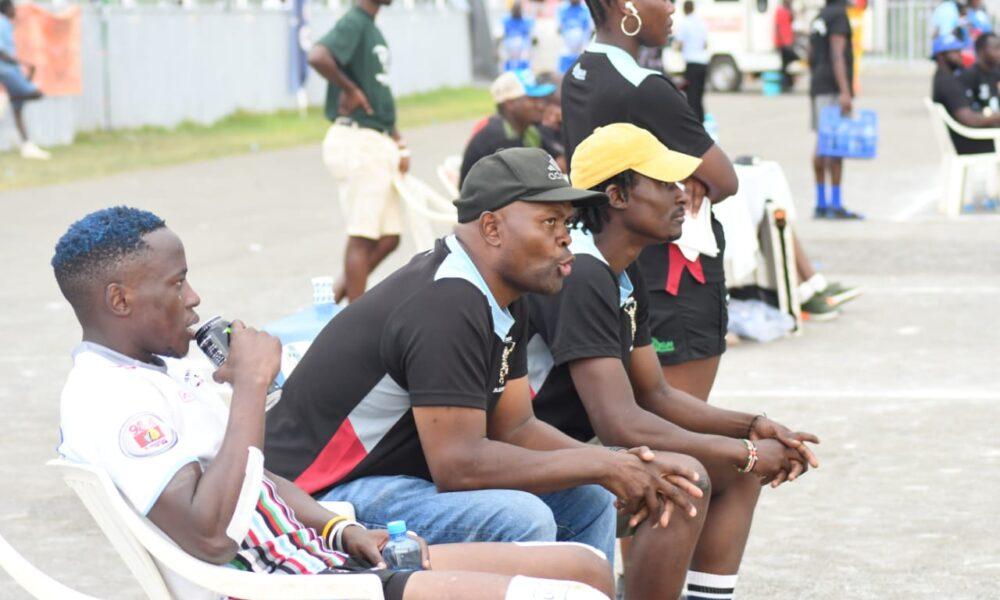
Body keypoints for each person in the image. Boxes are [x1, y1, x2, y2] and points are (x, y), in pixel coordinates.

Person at [53, 206, 616, 600]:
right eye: (176, 284)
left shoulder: (160, 371)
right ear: (119, 299)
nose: (194, 297)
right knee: (566, 593)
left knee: (584, 568)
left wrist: (341, 530)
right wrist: (250, 387)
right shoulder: (111, 401)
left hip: (325, 557)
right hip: (289, 586)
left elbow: (261, 479)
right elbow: (209, 535)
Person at [264, 148, 709, 578]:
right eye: (549, 221)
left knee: (589, 498)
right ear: (493, 228)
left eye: (568, 222)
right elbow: (459, 465)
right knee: (521, 516)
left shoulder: (505, 295)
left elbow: (516, 428)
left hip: (393, 478)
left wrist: (617, 462)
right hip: (319, 494)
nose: (566, 237)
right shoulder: (447, 301)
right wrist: (604, 463)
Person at [526, 123, 820, 600]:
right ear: (617, 196)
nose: (681, 195)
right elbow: (621, 423)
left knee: (737, 473)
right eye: (664, 183)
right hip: (532, 458)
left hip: (571, 448)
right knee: (686, 476)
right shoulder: (580, 272)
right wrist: (744, 451)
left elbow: (656, 394)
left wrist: (754, 428)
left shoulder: (622, 270)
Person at [565, 0, 738, 402]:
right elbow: (725, 180)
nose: (673, 6)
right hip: (674, 269)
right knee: (679, 423)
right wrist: (690, 175)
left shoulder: (577, 74)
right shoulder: (643, 85)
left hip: (613, 261)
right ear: (627, 6)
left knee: (635, 417)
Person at [308, 0, 408, 304]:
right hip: (357, 139)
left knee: (389, 237)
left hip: (377, 138)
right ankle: (353, 322)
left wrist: (399, 142)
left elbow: (378, 95)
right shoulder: (355, 21)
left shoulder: (371, 28)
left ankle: (332, 300)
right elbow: (318, 55)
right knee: (362, 236)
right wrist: (349, 89)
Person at [808, 0, 863, 219]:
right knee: (834, 146)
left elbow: (810, 57)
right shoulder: (839, 16)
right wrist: (845, 90)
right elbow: (837, 54)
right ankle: (835, 203)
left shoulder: (819, 17)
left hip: (817, 86)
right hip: (832, 87)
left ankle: (821, 202)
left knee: (822, 144)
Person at [459, 70, 557, 185]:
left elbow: (555, 162)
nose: (541, 106)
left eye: (541, 99)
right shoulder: (497, 136)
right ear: (510, 104)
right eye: (532, 99)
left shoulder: (530, 129)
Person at [933, 33, 1000, 155]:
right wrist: (996, 116)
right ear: (941, 56)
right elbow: (969, 119)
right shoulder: (948, 83)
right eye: (955, 52)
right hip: (968, 142)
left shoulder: (944, 78)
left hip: (967, 137)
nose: (960, 55)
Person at [0, 0, 49, 160]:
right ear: (7, 8)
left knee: (18, 109)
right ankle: (7, 98)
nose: (16, 10)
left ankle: (26, 145)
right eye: (13, 7)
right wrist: (20, 62)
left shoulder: (7, 24)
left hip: (11, 69)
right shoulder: (1, 22)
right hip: (6, 70)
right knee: (37, 93)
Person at [675, 1, 709, 122]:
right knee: (699, 96)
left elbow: (679, 44)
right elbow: (705, 44)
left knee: (692, 96)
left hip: (692, 63)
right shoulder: (701, 23)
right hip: (703, 62)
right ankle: (702, 121)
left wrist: (677, 49)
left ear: (684, 9)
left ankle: (695, 123)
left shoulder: (684, 24)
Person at [959, 31, 1000, 115]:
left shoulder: (996, 73)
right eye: (996, 48)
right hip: (983, 125)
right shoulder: (968, 75)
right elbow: (970, 112)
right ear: (981, 50)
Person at [558, 0, 594, 74]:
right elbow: (560, 29)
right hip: (567, 53)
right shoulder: (562, 9)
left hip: (582, 53)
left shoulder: (587, 9)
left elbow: (589, 30)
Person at [502, 1, 535, 72]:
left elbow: (531, 36)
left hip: (523, 46)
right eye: (515, 9)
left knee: (524, 57)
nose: (516, 11)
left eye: (518, 9)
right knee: (507, 58)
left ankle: (524, 73)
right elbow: (501, 35)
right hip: (509, 46)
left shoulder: (526, 20)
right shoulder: (506, 20)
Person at [774, 0, 797, 92]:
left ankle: (787, 84)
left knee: (785, 65)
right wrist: (780, 41)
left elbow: (792, 19)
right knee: (785, 65)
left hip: (787, 41)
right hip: (783, 42)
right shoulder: (780, 11)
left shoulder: (787, 11)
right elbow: (778, 27)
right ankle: (786, 84)